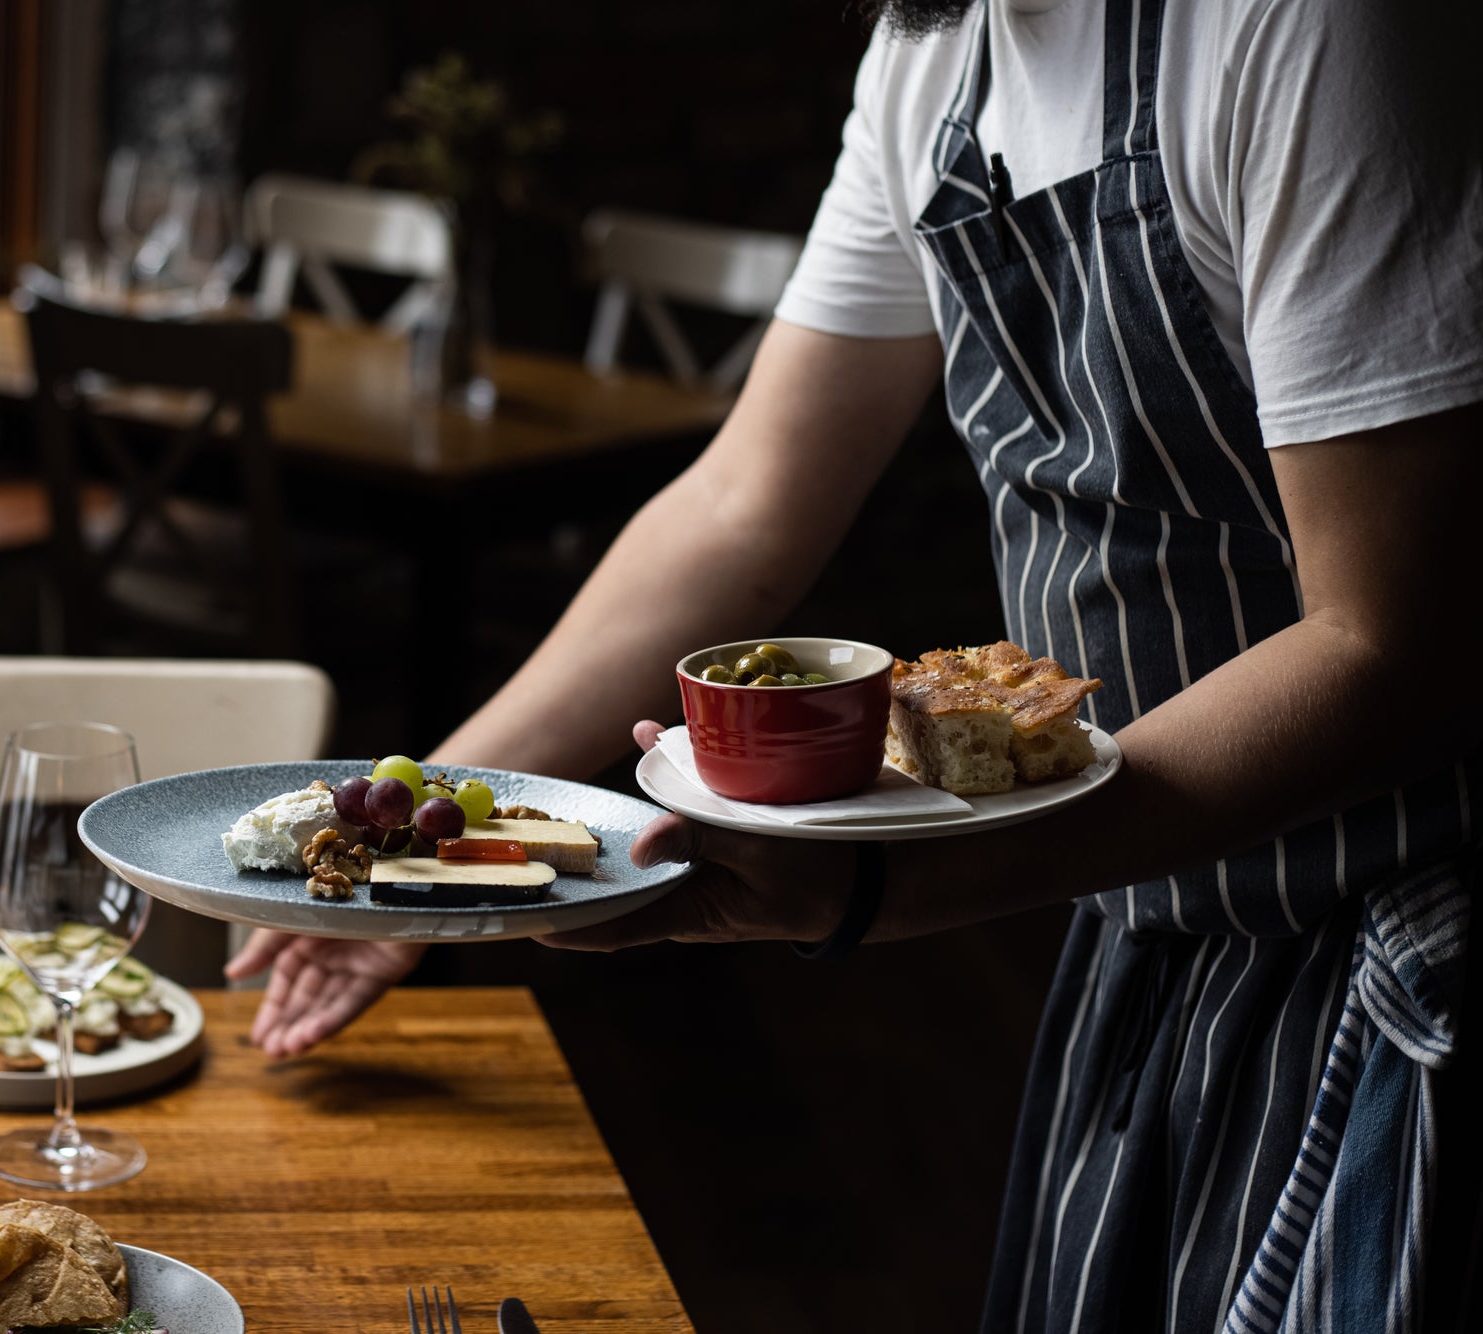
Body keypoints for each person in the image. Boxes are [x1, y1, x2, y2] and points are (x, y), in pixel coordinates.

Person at [228, 0, 1483, 1327]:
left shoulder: (1307, 29)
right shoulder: (934, 63)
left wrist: (891, 884)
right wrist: (422, 829)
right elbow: (745, 505)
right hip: (1145, 922)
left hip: (1398, 955)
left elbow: (1392, 640)